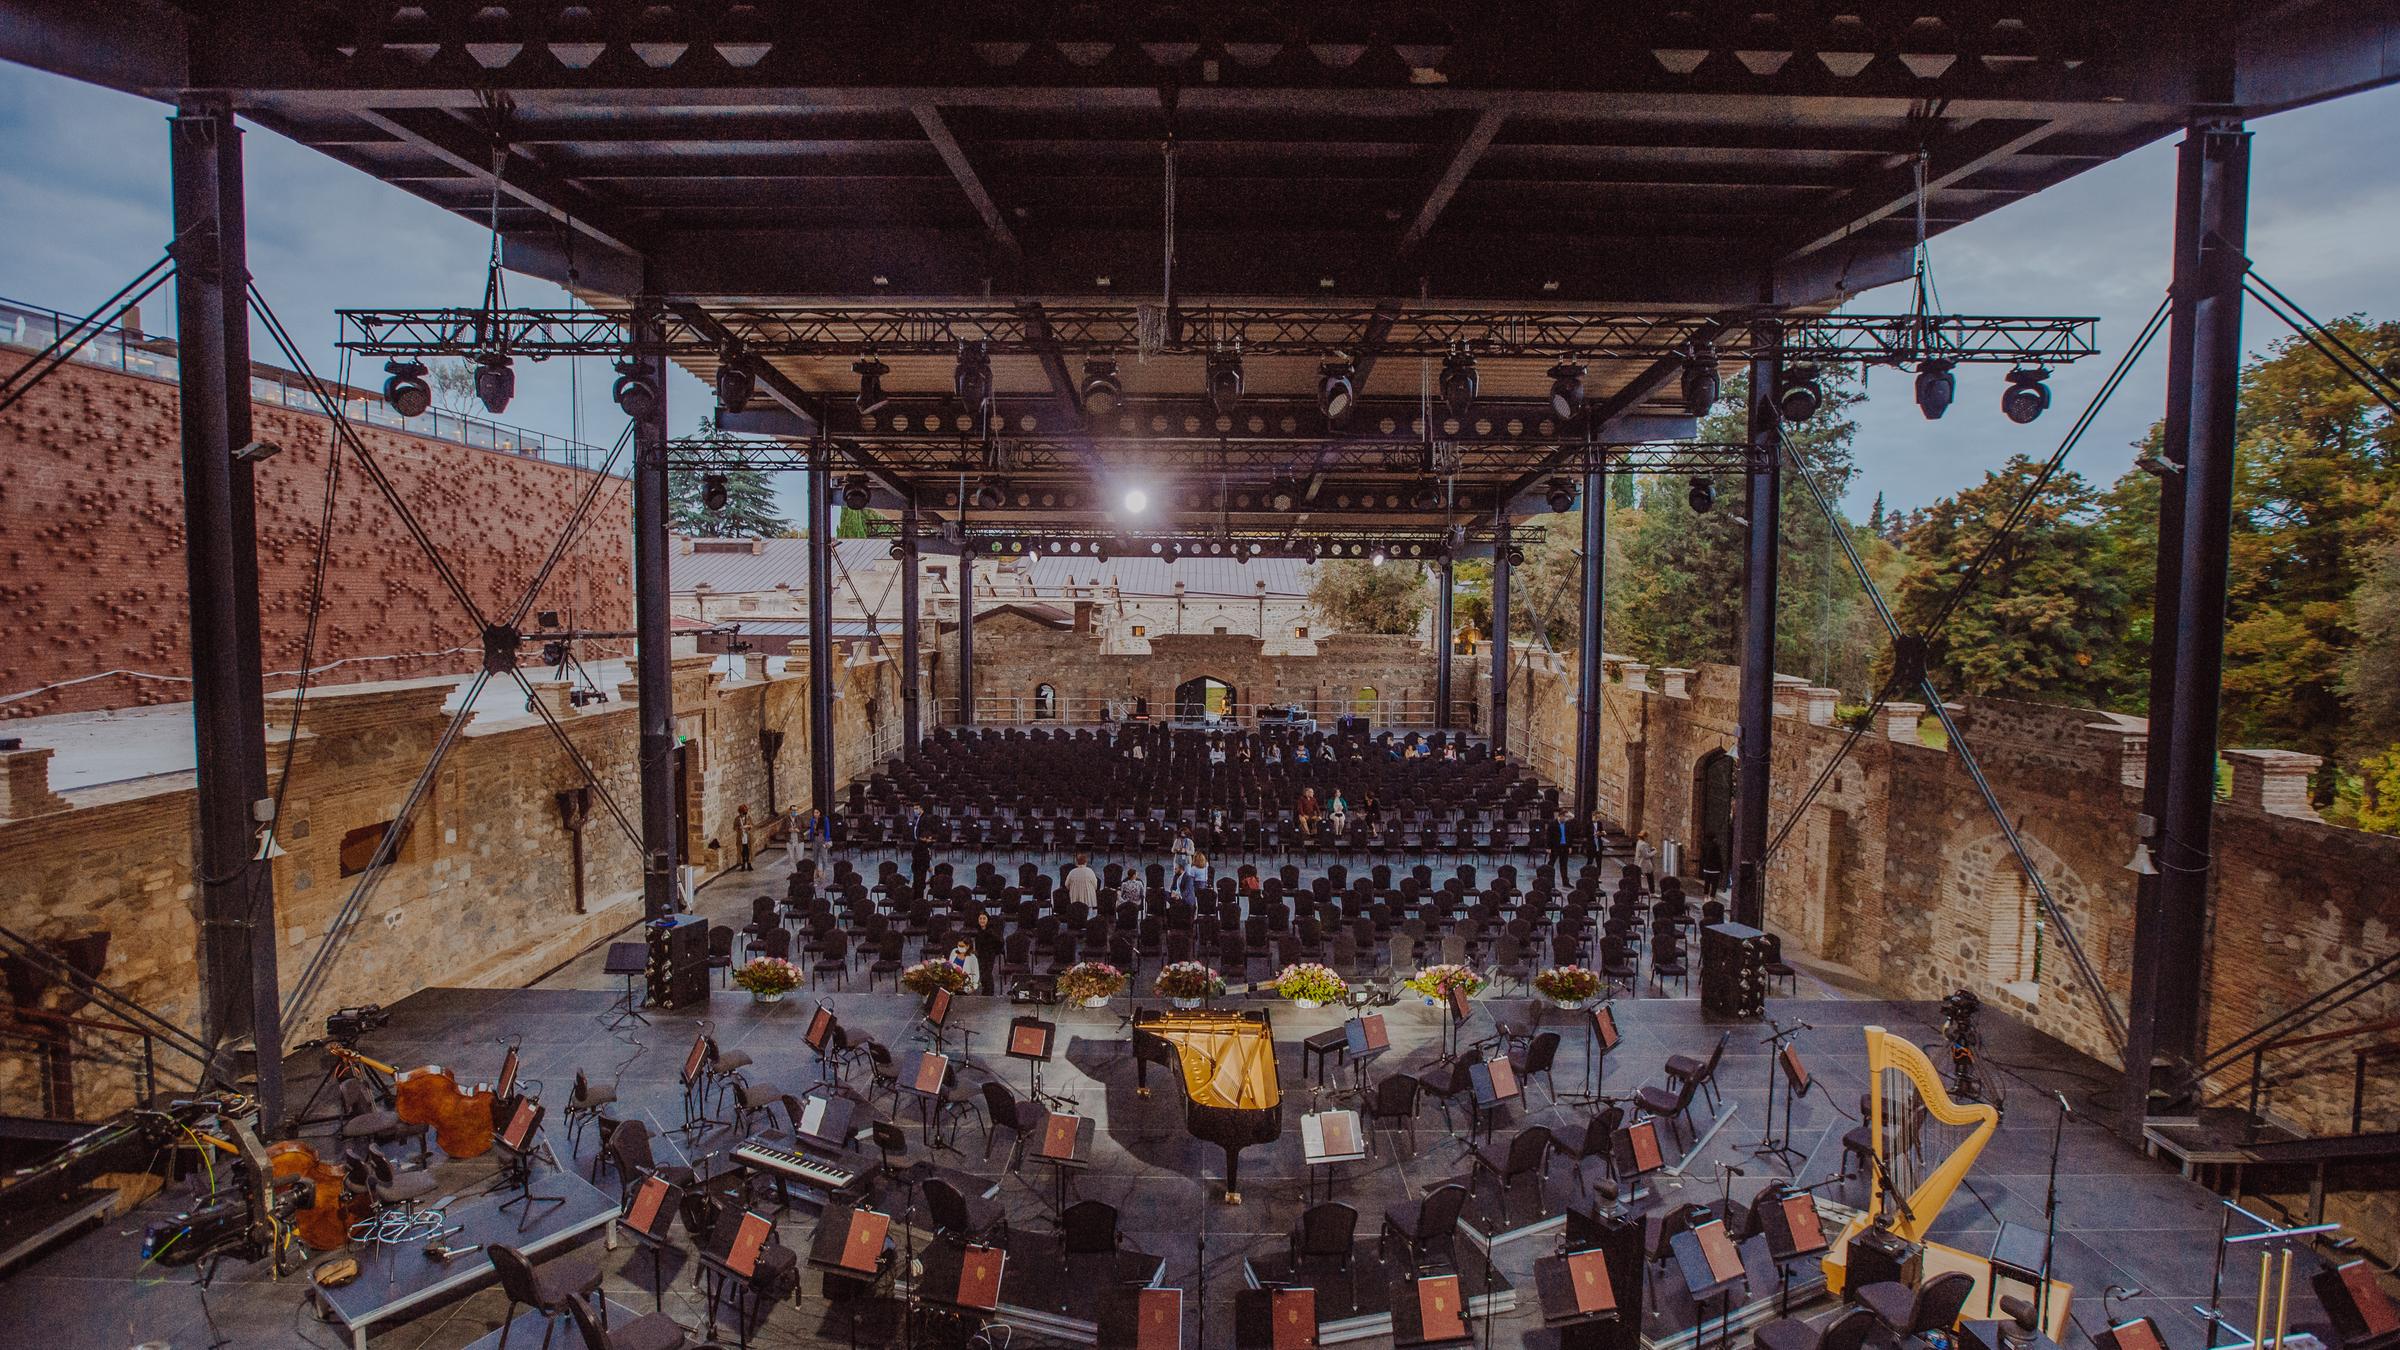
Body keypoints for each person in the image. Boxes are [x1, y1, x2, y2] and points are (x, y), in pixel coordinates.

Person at [972, 910, 1003, 995]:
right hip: (981, 954)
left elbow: (1000, 942)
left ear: (987, 920)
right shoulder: (978, 931)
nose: (982, 920)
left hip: (989, 954)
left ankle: (989, 992)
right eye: (980, 918)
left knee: (987, 973)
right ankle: (985, 990)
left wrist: (995, 952)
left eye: (984, 918)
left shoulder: (991, 931)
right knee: (982, 972)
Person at [1547, 808, 1576, 874]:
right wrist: (1548, 847)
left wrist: (1570, 846)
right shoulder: (1553, 824)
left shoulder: (1567, 824)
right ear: (1561, 816)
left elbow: (1569, 836)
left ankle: (1565, 882)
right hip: (1555, 846)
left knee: (1564, 865)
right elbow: (1549, 836)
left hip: (1564, 846)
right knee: (1551, 863)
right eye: (1565, 817)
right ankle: (1547, 877)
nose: (1566, 819)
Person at [734, 804, 755, 870]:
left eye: (744, 813)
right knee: (742, 851)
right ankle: (743, 864)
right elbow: (734, 827)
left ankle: (749, 864)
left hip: (748, 836)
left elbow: (752, 825)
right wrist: (739, 828)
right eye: (742, 813)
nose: (743, 814)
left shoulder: (748, 817)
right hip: (741, 837)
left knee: (748, 850)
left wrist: (748, 826)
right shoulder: (737, 819)